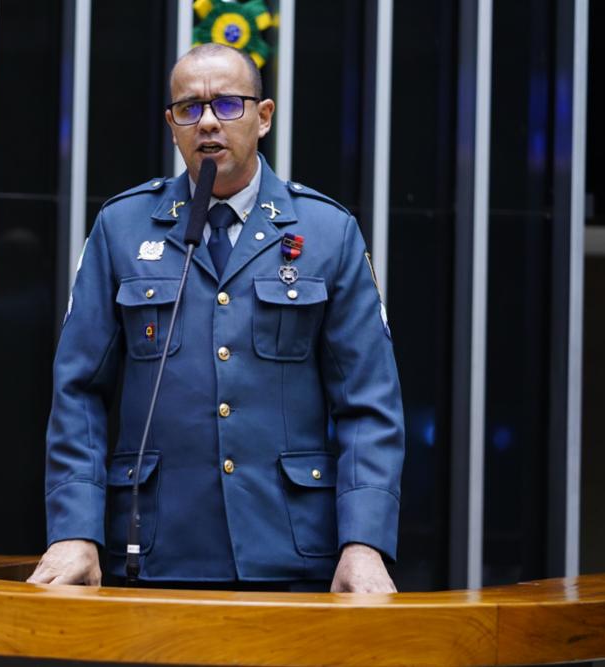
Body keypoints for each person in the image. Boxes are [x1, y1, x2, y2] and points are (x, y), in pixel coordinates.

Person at [27, 43, 404, 593]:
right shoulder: (123, 227)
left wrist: (364, 542)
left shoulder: (328, 232)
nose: (207, 122)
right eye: (189, 108)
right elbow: (78, 391)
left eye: (227, 105)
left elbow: (368, 404)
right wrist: (74, 530)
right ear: (172, 126)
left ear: (263, 116)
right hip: (155, 549)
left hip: (291, 551)